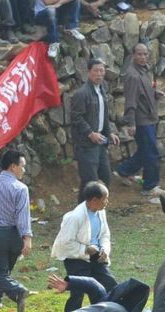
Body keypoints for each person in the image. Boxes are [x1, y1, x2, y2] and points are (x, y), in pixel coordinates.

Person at [51, 181, 117, 312]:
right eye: (105, 199)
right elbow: (66, 242)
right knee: (77, 293)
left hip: (95, 257)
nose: (107, 202)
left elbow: (105, 235)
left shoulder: (100, 212)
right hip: (76, 260)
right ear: (94, 200)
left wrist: (104, 251)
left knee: (110, 285)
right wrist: (85, 250)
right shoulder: (75, 217)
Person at [114, 42, 165, 197]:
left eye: (145, 54)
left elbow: (143, 92)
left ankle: (124, 171)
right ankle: (150, 186)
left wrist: (155, 93)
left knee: (144, 151)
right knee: (151, 153)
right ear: (133, 55)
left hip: (148, 117)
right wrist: (131, 123)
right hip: (141, 120)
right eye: (140, 54)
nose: (143, 57)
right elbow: (130, 100)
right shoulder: (132, 75)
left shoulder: (143, 71)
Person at [0, 150, 31, 312]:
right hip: (15, 236)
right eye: (22, 166)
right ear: (13, 166)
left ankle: (19, 290)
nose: (24, 170)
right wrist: (27, 238)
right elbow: (23, 216)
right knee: (4, 272)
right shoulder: (21, 188)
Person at [70, 58, 120, 203]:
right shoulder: (82, 93)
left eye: (102, 71)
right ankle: (83, 211)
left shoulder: (101, 90)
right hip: (86, 144)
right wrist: (90, 133)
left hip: (100, 143)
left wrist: (108, 132)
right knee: (89, 180)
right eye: (96, 71)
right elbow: (76, 118)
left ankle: (93, 207)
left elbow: (102, 115)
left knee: (105, 177)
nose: (99, 74)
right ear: (89, 73)